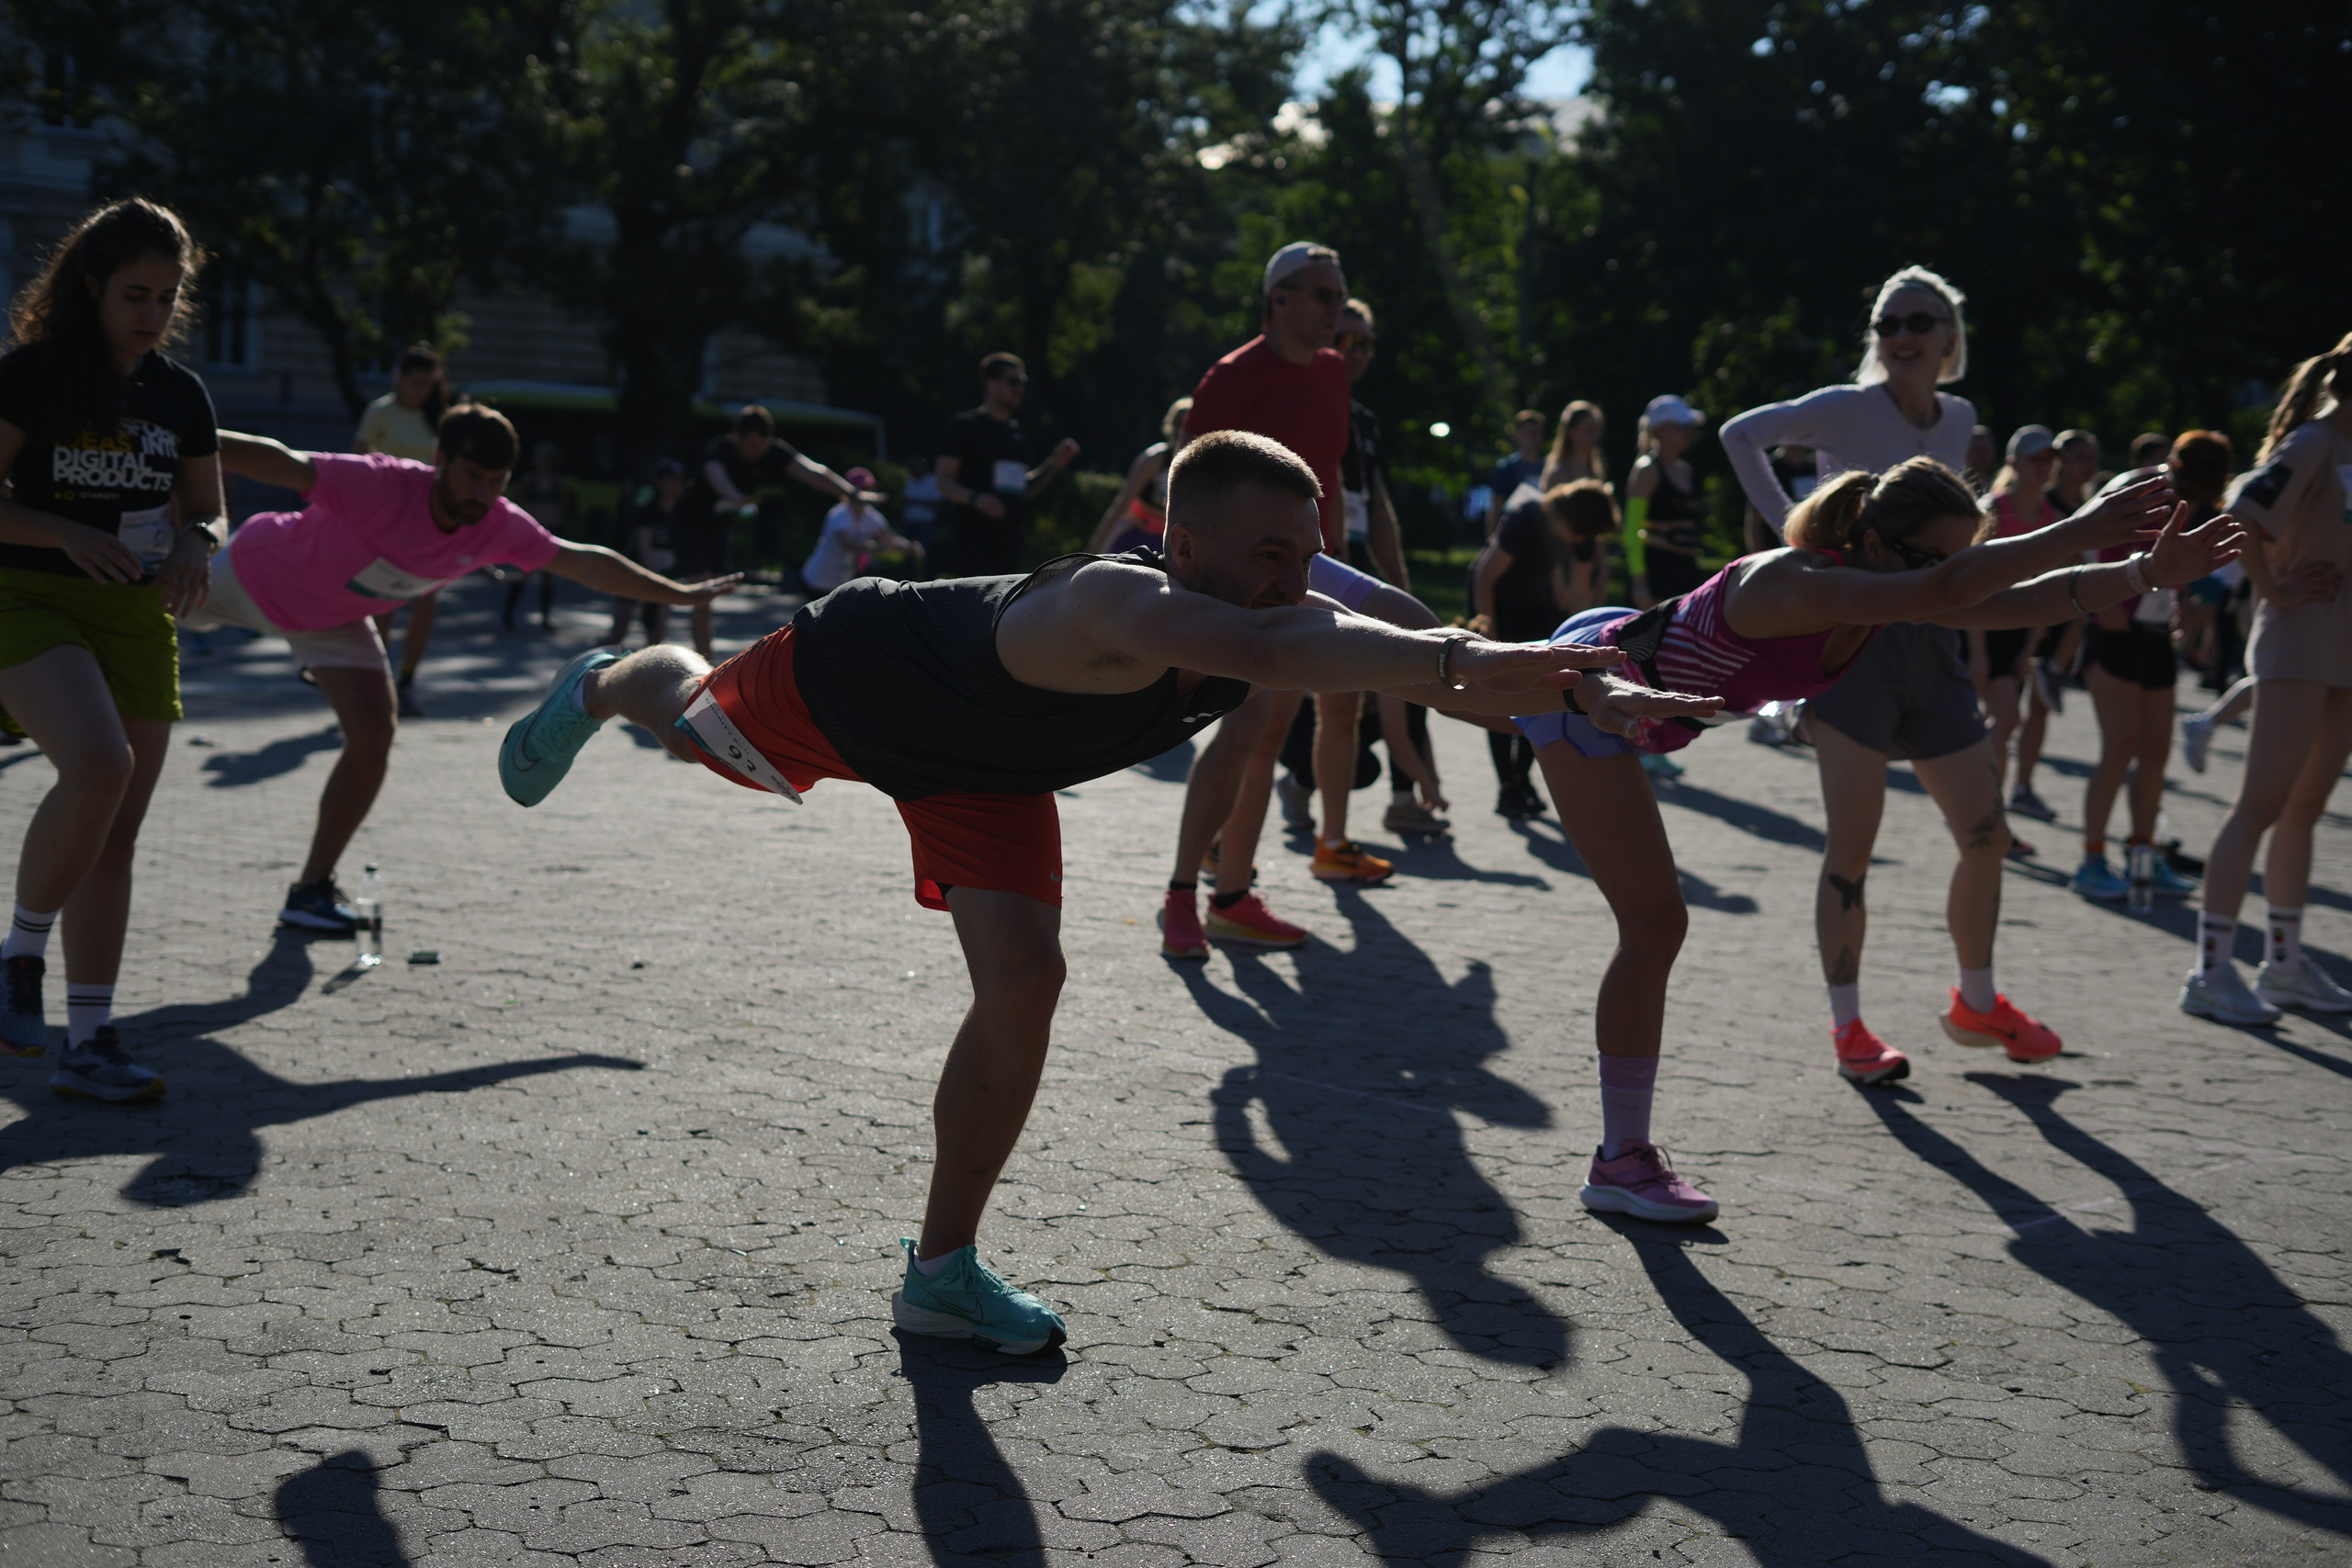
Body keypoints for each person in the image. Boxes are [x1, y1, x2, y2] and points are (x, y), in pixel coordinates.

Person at [494, 429, 1704, 1344]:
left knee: (1026, 978)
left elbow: (1410, 632)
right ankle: (609, 676)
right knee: (694, 722)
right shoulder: (1118, 598)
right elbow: (1293, 651)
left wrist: (1581, 676)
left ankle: (941, 1273)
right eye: (1270, 552)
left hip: (995, 764)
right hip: (862, 674)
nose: (1296, 575)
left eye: (1308, 549)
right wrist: (1493, 664)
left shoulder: (1276, 594)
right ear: (1183, 546)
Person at [1505, 457, 2232, 1223]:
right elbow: (1957, 587)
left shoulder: (1884, 592)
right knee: (1653, 922)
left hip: (1627, 675)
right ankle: (1621, 1160)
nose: (1953, 575)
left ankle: (1382, 654)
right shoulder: (1796, 581)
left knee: (1427, 675)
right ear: (1877, 543)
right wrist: (2082, 529)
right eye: (1934, 558)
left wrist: (2145, 571)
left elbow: (2012, 599)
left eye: (1958, 558)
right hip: (1587, 694)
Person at [196, 406, 740, 931]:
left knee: (375, 736)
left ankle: (311, 889)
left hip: (334, 620)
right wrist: (183, 430)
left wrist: (681, 595)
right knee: (141, 602)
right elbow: (278, 462)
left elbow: (584, 562)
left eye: (496, 481)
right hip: (251, 574)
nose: (481, 494)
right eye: (472, 477)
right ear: (440, 457)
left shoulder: (496, 525)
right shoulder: (383, 484)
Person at [1723, 265, 2068, 1086]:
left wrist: (1980, 647)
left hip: (1936, 646)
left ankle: (1976, 1002)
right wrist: (1799, 536)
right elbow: (1741, 433)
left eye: (1919, 320)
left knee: (1985, 836)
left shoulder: (1962, 418)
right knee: (1854, 845)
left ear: (1950, 337)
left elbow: (1960, 551)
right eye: (1886, 324)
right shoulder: (1847, 407)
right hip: (1852, 647)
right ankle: (1849, 1030)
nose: (1901, 336)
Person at [0, 197, 225, 1104]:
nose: (152, 313)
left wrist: (197, 544)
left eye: (167, 297)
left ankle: (89, 1041)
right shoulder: (28, 377)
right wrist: (60, 533)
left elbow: (208, 506)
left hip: (136, 615)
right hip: (27, 597)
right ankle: (19, 956)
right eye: (135, 293)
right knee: (99, 765)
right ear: (89, 285)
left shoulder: (180, 394)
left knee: (117, 833)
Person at [1159, 241, 1375, 953]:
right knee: (1246, 728)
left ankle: (1230, 892)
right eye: (1322, 295)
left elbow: (1332, 478)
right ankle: (1187, 894)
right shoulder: (1233, 376)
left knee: (1269, 733)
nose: (1335, 311)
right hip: (1236, 584)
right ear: (1278, 298)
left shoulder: (1335, 371)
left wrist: (1329, 563)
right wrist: (1187, 580)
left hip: (1303, 578)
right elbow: (1186, 489)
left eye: (1340, 296)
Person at [2182, 334, 2352, 1023]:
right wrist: (2276, 593)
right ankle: (2211, 972)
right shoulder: (2313, 443)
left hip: (2342, 651)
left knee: (2305, 807)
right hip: (2299, 646)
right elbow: (2240, 515)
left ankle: (2284, 964)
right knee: (2259, 804)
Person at [1332, 297, 1445, 838]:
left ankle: (1395, 801)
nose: (1354, 352)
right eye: (1344, 338)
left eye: (1365, 343)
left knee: (1405, 667)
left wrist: (1398, 588)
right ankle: (1290, 800)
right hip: (1309, 566)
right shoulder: (1300, 403)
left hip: (1351, 566)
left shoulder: (1364, 422)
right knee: (1284, 711)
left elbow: (1377, 509)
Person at [677, 404, 876, 660]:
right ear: (736, 436)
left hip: (718, 529)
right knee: (702, 593)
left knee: (710, 593)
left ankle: (704, 656)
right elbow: (715, 475)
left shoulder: (773, 452)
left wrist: (850, 492)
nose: (756, 452)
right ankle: (703, 659)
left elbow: (814, 472)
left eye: (761, 445)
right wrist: (735, 496)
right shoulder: (719, 448)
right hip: (689, 524)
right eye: (750, 445)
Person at [1472, 479, 1616, 818]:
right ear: (1567, 517)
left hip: (1534, 603)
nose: (1580, 542)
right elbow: (1482, 576)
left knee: (1542, 689)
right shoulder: (1527, 517)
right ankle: (1507, 786)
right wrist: (1486, 629)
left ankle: (1523, 777)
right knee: (1500, 692)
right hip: (1495, 601)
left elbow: (1578, 603)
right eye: (1579, 535)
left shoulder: (1582, 534)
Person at [2010, 428, 2105, 821]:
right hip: (2028, 619)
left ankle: (2022, 786)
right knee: (2005, 709)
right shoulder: (2044, 507)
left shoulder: (2090, 507)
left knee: (2038, 709)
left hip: (2062, 626)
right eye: (2078, 457)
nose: (2086, 465)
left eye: (2090, 458)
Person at [1970, 425, 2060, 817]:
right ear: (2013, 463)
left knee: (2004, 721)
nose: (2043, 467)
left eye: (2049, 459)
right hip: (1983, 627)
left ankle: (1987, 811)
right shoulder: (1992, 509)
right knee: (2006, 718)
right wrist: (1976, 653)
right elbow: (1967, 584)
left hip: (2019, 631)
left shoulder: (2052, 516)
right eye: (2034, 459)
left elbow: (2046, 590)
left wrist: (2030, 648)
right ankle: (1982, 810)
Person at [356, 344, 450, 716]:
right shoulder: (381, 412)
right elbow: (357, 460)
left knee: (427, 601)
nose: (420, 391)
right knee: (385, 603)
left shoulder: (438, 417)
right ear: (399, 377)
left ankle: (407, 679)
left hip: (429, 523)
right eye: (414, 383)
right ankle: (375, 681)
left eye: (427, 385)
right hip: (387, 521)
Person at [934, 354, 1079, 578]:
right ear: (990, 384)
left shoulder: (1016, 434)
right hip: (973, 545)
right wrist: (976, 498)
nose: (1019, 388)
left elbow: (1022, 490)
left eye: (1022, 382)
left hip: (1009, 547)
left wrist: (1054, 464)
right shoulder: (965, 426)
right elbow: (943, 481)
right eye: (1013, 382)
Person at [1623, 395, 1707, 608]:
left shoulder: (1686, 471)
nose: (1688, 431)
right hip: (1657, 571)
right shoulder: (1647, 470)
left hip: (1686, 569)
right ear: (1660, 430)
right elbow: (1632, 530)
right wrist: (1639, 583)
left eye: (1689, 425)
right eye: (1681, 426)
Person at [1084, 398, 1189, 557]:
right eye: (1177, 422)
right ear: (1170, 425)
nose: (1180, 429)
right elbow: (1122, 503)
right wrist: (1094, 547)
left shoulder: (1198, 466)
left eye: (1186, 423)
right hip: (1133, 536)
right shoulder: (1155, 458)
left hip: (1167, 545)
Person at [601, 460, 684, 649]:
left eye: (679, 480)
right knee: (617, 634)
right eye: (670, 480)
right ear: (660, 483)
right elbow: (644, 546)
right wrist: (655, 578)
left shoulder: (683, 511)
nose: (675, 485)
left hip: (663, 576)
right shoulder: (648, 508)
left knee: (656, 638)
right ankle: (586, 662)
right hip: (634, 572)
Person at [800, 468, 921, 594]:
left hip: (840, 582)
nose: (870, 493)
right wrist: (879, 548)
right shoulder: (839, 514)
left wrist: (909, 547)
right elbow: (848, 544)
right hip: (818, 579)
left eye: (870, 489)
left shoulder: (871, 516)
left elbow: (890, 537)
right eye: (865, 489)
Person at [505, 441, 571, 632]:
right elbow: (515, 501)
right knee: (522, 573)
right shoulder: (529, 480)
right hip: (531, 533)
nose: (538, 461)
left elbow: (564, 506)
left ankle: (545, 618)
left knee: (549, 577)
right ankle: (508, 615)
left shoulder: (558, 482)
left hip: (551, 530)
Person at [1485, 410, 1548, 536]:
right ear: (1518, 434)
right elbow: (1496, 507)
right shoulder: (1506, 468)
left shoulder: (1549, 467)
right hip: (1513, 533)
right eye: (1529, 432)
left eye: (1537, 432)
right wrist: (1491, 539)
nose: (1534, 437)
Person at [1541, 400, 1608, 491]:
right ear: (1571, 432)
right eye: (1589, 429)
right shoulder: (1558, 473)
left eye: (1597, 429)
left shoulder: (1596, 472)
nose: (1595, 435)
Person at [1964, 423, 1998, 494]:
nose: (1981, 454)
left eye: (1985, 449)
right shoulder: (1958, 483)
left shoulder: (2000, 484)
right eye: (1976, 449)